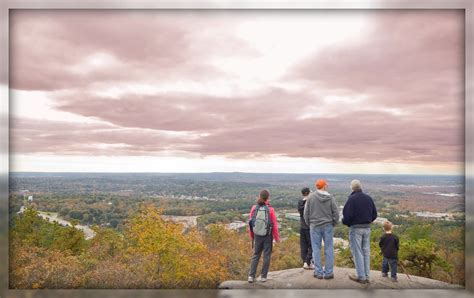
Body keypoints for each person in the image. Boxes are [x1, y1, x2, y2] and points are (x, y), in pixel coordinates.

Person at [342, 179, 378, 284]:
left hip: (356, 229)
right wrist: (367, 221)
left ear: (352, 188)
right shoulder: (368, 198)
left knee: (357, 252)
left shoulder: (351, 199)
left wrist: (347, 223)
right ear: (360, 187)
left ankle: (360, 276)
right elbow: (374, 214)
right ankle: (366, 276)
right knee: (366, 252)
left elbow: (347, 216)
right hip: (367, 228)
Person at [303, 179, 339, 279]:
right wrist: (334, 223)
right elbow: (336, 213)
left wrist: (310, 224)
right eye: (326, 185)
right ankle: (328, 273)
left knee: (316, 249)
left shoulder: (310, 197)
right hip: (328, 226)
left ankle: (318, 272)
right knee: (329, 248)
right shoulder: (330, 197)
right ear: (324, 186)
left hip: (314, 226)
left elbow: (306, 213)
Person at [248, 189, 280, 283]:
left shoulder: (254, 208)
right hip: (267, 235)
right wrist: (277, 238)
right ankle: (263, 277)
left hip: (257, 235)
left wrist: (252, 235)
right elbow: (274, 225)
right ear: (268, 197)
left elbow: (251, 223)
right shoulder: (270, 210)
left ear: (260, 196)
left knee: (256, 255)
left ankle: (251, 276)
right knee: (266, 255)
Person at [297, 187, 313, 269]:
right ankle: (308, 261)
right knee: (312, 245)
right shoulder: (310, 202)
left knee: (303, 246)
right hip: (309, 227)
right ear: (307, 193)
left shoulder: (300, 202)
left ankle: (305, 262)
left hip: (302, 226)